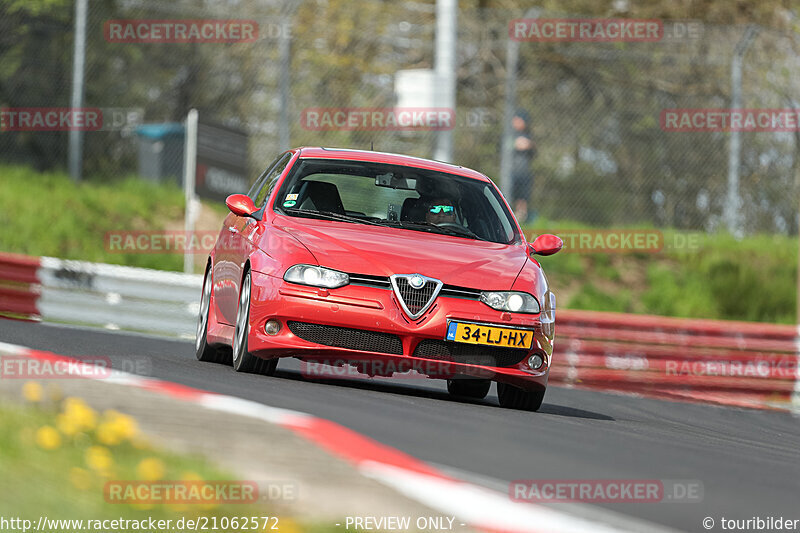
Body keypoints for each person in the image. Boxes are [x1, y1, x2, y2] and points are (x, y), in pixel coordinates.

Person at [510, 109, 537, 223]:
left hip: (523, 170)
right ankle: (511, 215)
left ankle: (521, 216)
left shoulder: (528, 135)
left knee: (523, 194)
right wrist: (514, 144)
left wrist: (529, 145)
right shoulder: (510, 134)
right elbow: (500, 147)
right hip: (511, 170)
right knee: (512, 192)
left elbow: (534, 153)